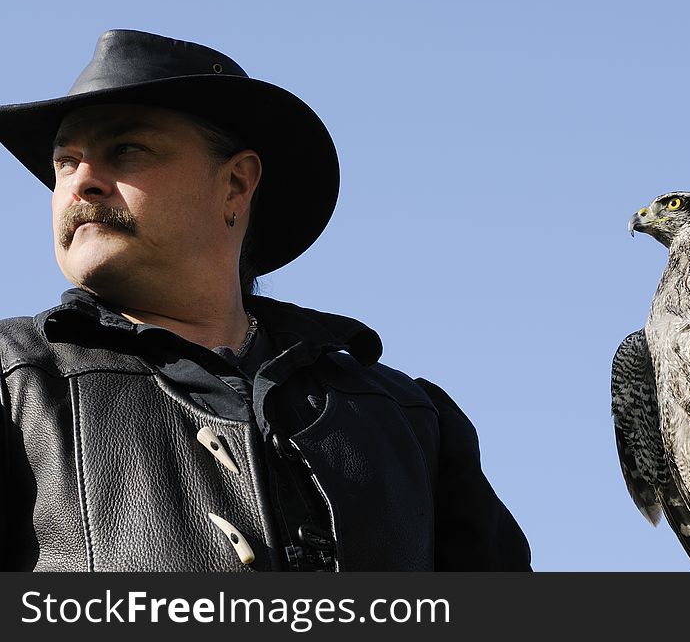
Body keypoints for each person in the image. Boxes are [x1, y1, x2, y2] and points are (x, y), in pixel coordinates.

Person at [0, 29, 531, 572]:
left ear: (236, 183)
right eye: (65, 161)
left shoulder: (413, 421)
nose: (81, 183)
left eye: (126, 150)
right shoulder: (14, 378)